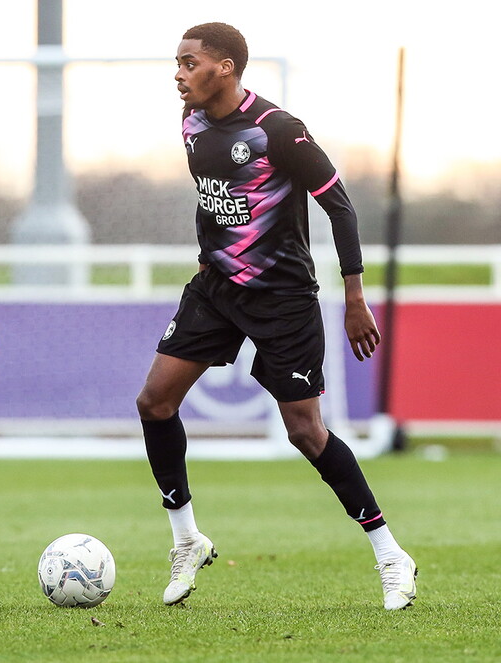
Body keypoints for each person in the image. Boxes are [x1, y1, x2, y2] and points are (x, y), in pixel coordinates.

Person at [136, 23, 417, 611]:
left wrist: (356, 298)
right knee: (154, 402)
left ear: (226, 68)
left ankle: (391, 554)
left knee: (305, 432)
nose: (179, 74)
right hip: (215, 289)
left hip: (283, 299)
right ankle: (187, 537)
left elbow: (339, 206)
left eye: (189, 63)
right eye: (178, 63)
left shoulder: (278, 130)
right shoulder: (190, 125)